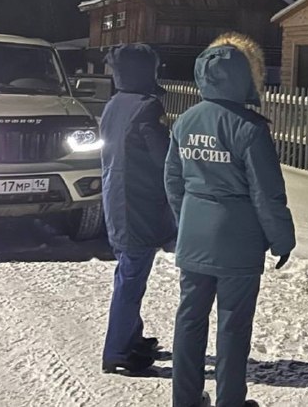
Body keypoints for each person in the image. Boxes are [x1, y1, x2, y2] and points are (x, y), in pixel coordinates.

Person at [165, 33, 296, 407]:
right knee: (233, 326)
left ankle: (185, 400)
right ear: (244, 76)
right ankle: (230, 402)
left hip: (195, 237)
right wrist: (282, 239)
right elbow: (266, 193)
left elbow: (173, 180)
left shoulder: (185, 121)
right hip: (238, 241)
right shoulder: (250, 128)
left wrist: (187, 220)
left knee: (189, 320)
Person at [100, 43, 176, 375]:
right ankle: (117, 351)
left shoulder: (114, 104)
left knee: (128, 271)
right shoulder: (146, 106)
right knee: (131, 278)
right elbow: (163, 158)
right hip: (138, 204)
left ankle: (131, 336)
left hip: (117, 199)